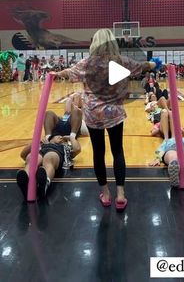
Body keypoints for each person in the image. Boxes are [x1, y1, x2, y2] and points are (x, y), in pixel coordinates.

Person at [53, 28, 160, 211]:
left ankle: (106, 193)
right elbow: (142, 66)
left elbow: (68, 73)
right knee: (117, 151)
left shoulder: (86, 63)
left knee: (98, 153)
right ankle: (120, 194)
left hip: (94, 113)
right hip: (114, 112)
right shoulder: (120, 61)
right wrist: (154, 64)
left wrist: (57, 74)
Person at [16, 134, 81, 199]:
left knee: (49, 157)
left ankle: (44, 183)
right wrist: (37, 141)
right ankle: (26, 181)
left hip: (55, 154)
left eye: (63, 139)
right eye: (58, 136)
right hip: (40, 153)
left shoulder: (65, 147)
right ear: (51, 139)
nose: (61, 137)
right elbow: (23, 155)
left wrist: (71, 137)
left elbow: (77, 149)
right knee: (32, 158)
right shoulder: (41, 145)